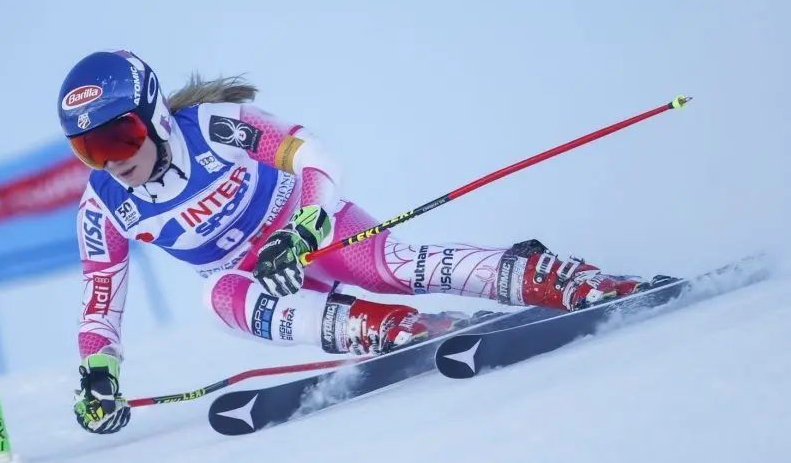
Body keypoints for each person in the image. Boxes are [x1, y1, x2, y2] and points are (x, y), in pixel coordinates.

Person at [61, 50, 649, 434]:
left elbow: (312, 150)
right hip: (256, 277)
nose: (112, 160)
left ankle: (556, 279)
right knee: (217, 300)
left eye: (121, 136)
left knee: (388, 265)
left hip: (310, 232)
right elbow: (100, 299)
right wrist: (98, 371)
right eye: (90, 150)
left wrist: (308, 222)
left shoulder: (212, 127)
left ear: (156, 117)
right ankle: (394, 331)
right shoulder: (104, 204)